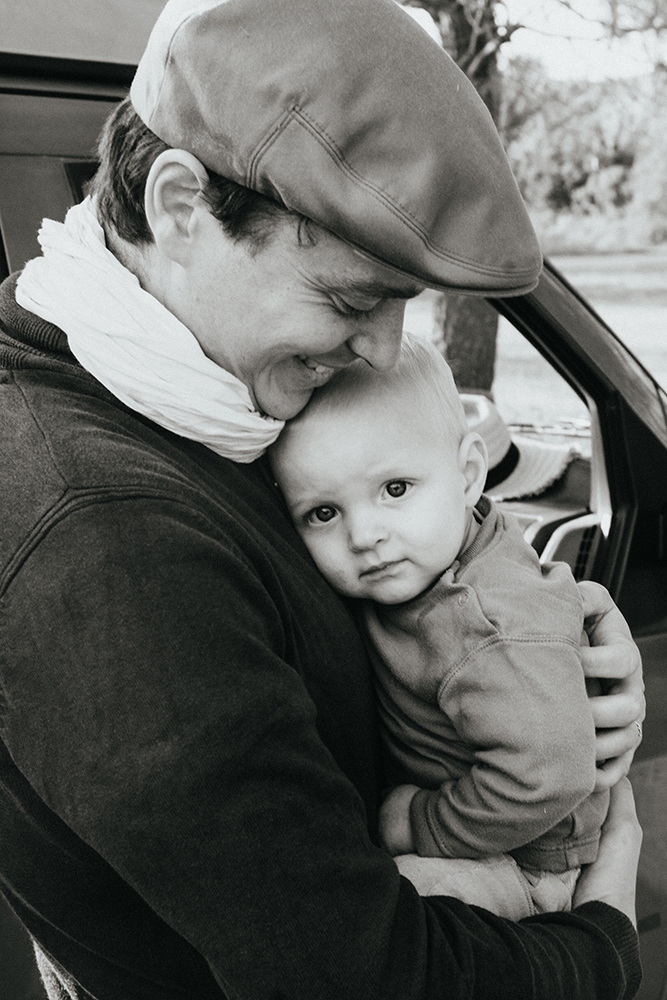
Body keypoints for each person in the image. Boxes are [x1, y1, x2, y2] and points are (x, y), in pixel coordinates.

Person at [0, 0, 644, 998]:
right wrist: (600, 941)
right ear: (179, 206)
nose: (382, 350)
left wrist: (550, 638)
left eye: (402, 307)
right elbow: (359, 973)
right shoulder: (103, 534)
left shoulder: (199, 401)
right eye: (350, 299)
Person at [270, 334, 610, 921]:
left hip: (527, 861)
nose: (363, 536)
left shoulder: (490, 625)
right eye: (323, 512)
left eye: (395, 489)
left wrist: (421, 821)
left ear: (470, 475)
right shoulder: (428, 553)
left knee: (367, 908)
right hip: (498, 833)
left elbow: (551, 773)